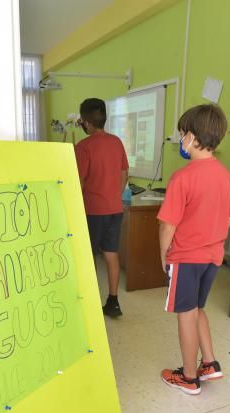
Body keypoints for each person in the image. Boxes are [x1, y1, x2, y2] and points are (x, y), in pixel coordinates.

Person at [158, 104, 230, 395]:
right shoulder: (225, 175)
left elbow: (167, 226)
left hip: (186, 257)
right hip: (213, 257)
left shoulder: (183, 177)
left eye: (181, 135)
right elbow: (228, 218)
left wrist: (164, 256)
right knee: (198, 308)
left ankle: (189, 377)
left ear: (190, 136)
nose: (181, 141)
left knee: (186, 314)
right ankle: (210, 363)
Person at [74, 98, 130, 317]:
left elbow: (78, 181)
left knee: (88, 256)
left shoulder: (83, 147)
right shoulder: (116, 142)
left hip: (92, 211)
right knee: (110, 253)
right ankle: (113, 301)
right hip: (114, 209)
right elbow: (124, 174)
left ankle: (88, 303)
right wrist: (114, 196)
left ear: (86, 122)